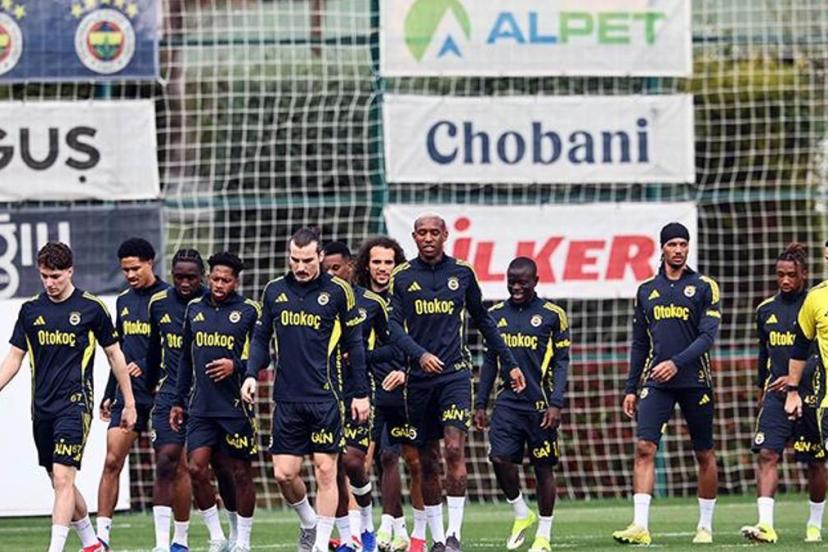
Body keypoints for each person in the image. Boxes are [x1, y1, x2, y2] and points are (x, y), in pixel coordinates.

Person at [388, 214, 522, 552]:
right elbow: (393, 327)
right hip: (419, 380)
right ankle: (436, 539)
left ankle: (454, 535)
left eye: (434, 232)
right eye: (422, 233)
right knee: (427, 460)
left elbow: (484, 321)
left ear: (445, 235)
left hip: (455, 375)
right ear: (414, 237)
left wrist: (510, 363)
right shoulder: (402, 277)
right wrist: (419, 355)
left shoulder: (462, 273)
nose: (428, 238)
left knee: (453, 449)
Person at [0, 241, 137, 552]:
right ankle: (92, 544)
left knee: (63, 478)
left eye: (56, 276)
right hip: (42, 408)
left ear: (70, 271)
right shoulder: (31, 310)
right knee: (58, 480)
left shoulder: (91, 308)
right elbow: (14, 359)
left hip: (75, 405)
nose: (50, 283)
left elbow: (115, 355)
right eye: (44, 276)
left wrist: (128, 402)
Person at [242, 227, 370, 552]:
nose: (300, 267)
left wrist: (360, 393)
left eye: (307, 260)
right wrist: (250, 374)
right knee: (284, 474)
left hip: (326, 397)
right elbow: (260, 337)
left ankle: (320, 545)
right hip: (286, 398)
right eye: (295, 260)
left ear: (320, 257)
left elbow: (355, 345)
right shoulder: (274, 291)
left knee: (326, 470)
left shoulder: (339, 292)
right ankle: (309, 522)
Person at [613, 222, 722, 545]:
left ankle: (705, 526)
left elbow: (707, 337)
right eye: (672, 244)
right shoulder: (646, 290)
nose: (678, 250)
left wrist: (676, 363)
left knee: (703, 452)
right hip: (657, 382)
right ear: (662, 248)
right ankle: (640, 526)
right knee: (644, 447)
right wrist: (630, 388)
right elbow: (639, 343)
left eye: (683, 244)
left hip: (695, 380)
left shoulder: (704, 286)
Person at [146, 249, 241, 552]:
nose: (185, 282)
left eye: (191, 277)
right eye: (179, 277)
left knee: (221, 467)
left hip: (211, 396)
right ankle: (167, 543)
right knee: (166, 461)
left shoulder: (214, 303)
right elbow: (152, 353)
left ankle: (232, 532)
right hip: (170, 394)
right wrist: (146, 390)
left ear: (203, 276)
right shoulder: (158, 304)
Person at [474, 257, 570, 552]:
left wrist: (556, 403)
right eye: (511, 282)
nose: (516, 287)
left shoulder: (553, 315)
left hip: (541, 405)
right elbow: (490, 362)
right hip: (507, 403)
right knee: (499, 458)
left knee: (543, 468)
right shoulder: (495, 315)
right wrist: (480, 403)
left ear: (535, 282)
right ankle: (520, 512)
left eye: (522, 283)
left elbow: (562, 362)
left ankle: (544, 535)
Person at [171, 252, 260, 552]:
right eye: (215, 279)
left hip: (236, 407)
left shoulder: (249, 310)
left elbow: (265, 355)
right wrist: (178, 400)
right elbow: (185, 358)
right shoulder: (194, 308)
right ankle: (218, 537)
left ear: (236, 282)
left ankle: (242, 540)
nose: (219, 284)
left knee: (239, 472)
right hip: (201, 406)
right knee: (196, 469)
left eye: (226, 280)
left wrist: (236, 365)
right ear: (208, 278)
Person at [740, 243, 826, 543]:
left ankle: (814, 524)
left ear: (804, 274)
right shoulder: (765, 310)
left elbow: (816, 351)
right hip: (777, 395)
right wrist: (761, 388)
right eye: (780, 274)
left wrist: (795, 378)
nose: (785, 280)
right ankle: (765, 524)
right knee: (767, 453)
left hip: (813, 394)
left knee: (815, 461)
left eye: (791, 274)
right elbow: (763, 353)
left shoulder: (814, 303)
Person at [354, 236, 425, 552]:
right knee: (374, 459)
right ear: (366, 265)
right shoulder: (357, 300)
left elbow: (422, 342)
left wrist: (407, 372)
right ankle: (379, 530)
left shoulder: (408, 298)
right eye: (377, 262)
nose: (382, 268)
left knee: (416, 461)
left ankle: (418, 534)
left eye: (388, 262)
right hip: (369, 389)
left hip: (408, 387)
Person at [97, 238, 169, 549]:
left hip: (164, 392)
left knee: (168, 464)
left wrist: (150, 366)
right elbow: (118, 351)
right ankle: (102, 537)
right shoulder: (123, 301)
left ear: (150, 263)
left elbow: (178, 348)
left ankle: (168, 540)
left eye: (135, 268)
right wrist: (109, 391)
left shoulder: (170, 298)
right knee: (112, 460)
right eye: (125, 269)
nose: (129, 275)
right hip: (130, 395)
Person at [323, 241, 380, 552]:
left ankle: (367, 522)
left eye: (337, 268)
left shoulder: (370, 303)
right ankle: (350, 537)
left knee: (354, 462)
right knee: (332, 466)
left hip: (359, 392)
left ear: (350, 267)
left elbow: (393, 345)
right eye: (326, 269)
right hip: (326, 394)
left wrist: (364, 357)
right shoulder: (316, 301)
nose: (332, 274)